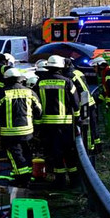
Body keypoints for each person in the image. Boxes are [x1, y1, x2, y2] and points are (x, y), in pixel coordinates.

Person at [0, 67, 41, 186]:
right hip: (28, 131)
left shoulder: (2, 94)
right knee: (26, 153)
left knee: (15, 156)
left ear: (6, 80)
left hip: (10, 133)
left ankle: (22, 179)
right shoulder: (29, 92)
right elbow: (38, 110)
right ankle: (27, 176)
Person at [34, 55, 80, 187]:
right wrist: (76, 120)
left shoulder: (40, 82)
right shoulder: (67, 82)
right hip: (65, 125)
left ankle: (60, 181)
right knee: (69, 153)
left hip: (47, 125)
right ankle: (74, 181)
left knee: (55, 154)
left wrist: (37, 125)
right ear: (61, 67)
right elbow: (76, 104)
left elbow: (36, 103)